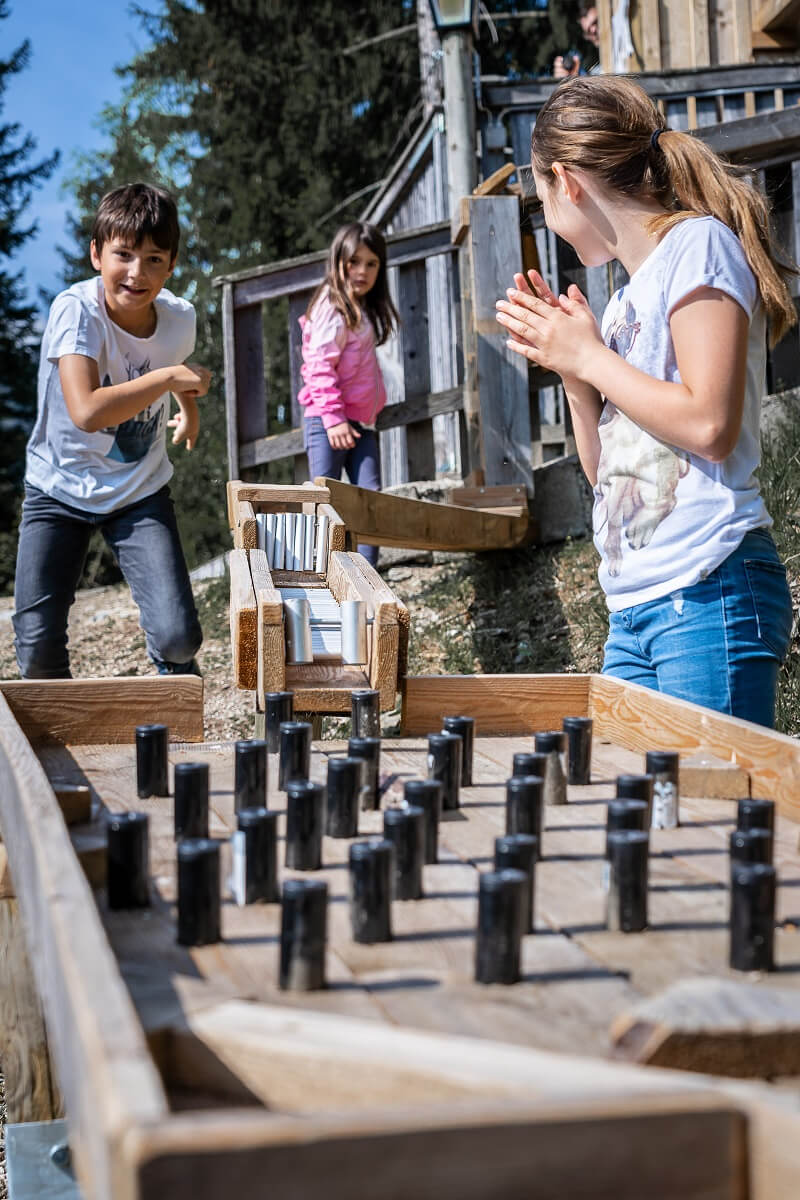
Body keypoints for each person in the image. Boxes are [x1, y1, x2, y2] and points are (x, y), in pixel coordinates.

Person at [495, 76, 797, 727]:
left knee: (711, 795)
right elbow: (609, 475)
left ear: (568, 181)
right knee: (635, 794)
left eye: (543, 200)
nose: (549, 220)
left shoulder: (698, 247)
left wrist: (590, 358)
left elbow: (710, 423)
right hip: (633, 610)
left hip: (708, 588)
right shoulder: (624, 302)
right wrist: (575, 377)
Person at [13, 182, 210, 678]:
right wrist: (168, 380)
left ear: (172, 265)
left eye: (154, 259)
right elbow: (86, 411)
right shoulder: (76, 312)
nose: (136, 273)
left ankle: (174, 699)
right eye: (123, 255)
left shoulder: (179, 319)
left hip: (138, 490)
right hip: (58, 487)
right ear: (96, 254)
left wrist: (188, 408)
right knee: (36, 655)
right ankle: (59, 719)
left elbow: (172, 364)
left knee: (178, 639)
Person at [298, 221, 398, 568]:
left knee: (369, 501)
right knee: (324, 503)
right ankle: (318, 576)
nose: (362, 271)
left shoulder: (361, 307)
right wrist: (333, 419)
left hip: (360, 423)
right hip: (330, 423)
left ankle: (367, 579)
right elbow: (318, 366)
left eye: (371, 264)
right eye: (353, 262)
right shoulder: (332, 307)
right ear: (338, 261)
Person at [553, 1, 601, 78]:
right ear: (587, 38)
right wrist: (570, 80)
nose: (593, 30)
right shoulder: (598, 71)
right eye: (589, 31)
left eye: (596, 22)